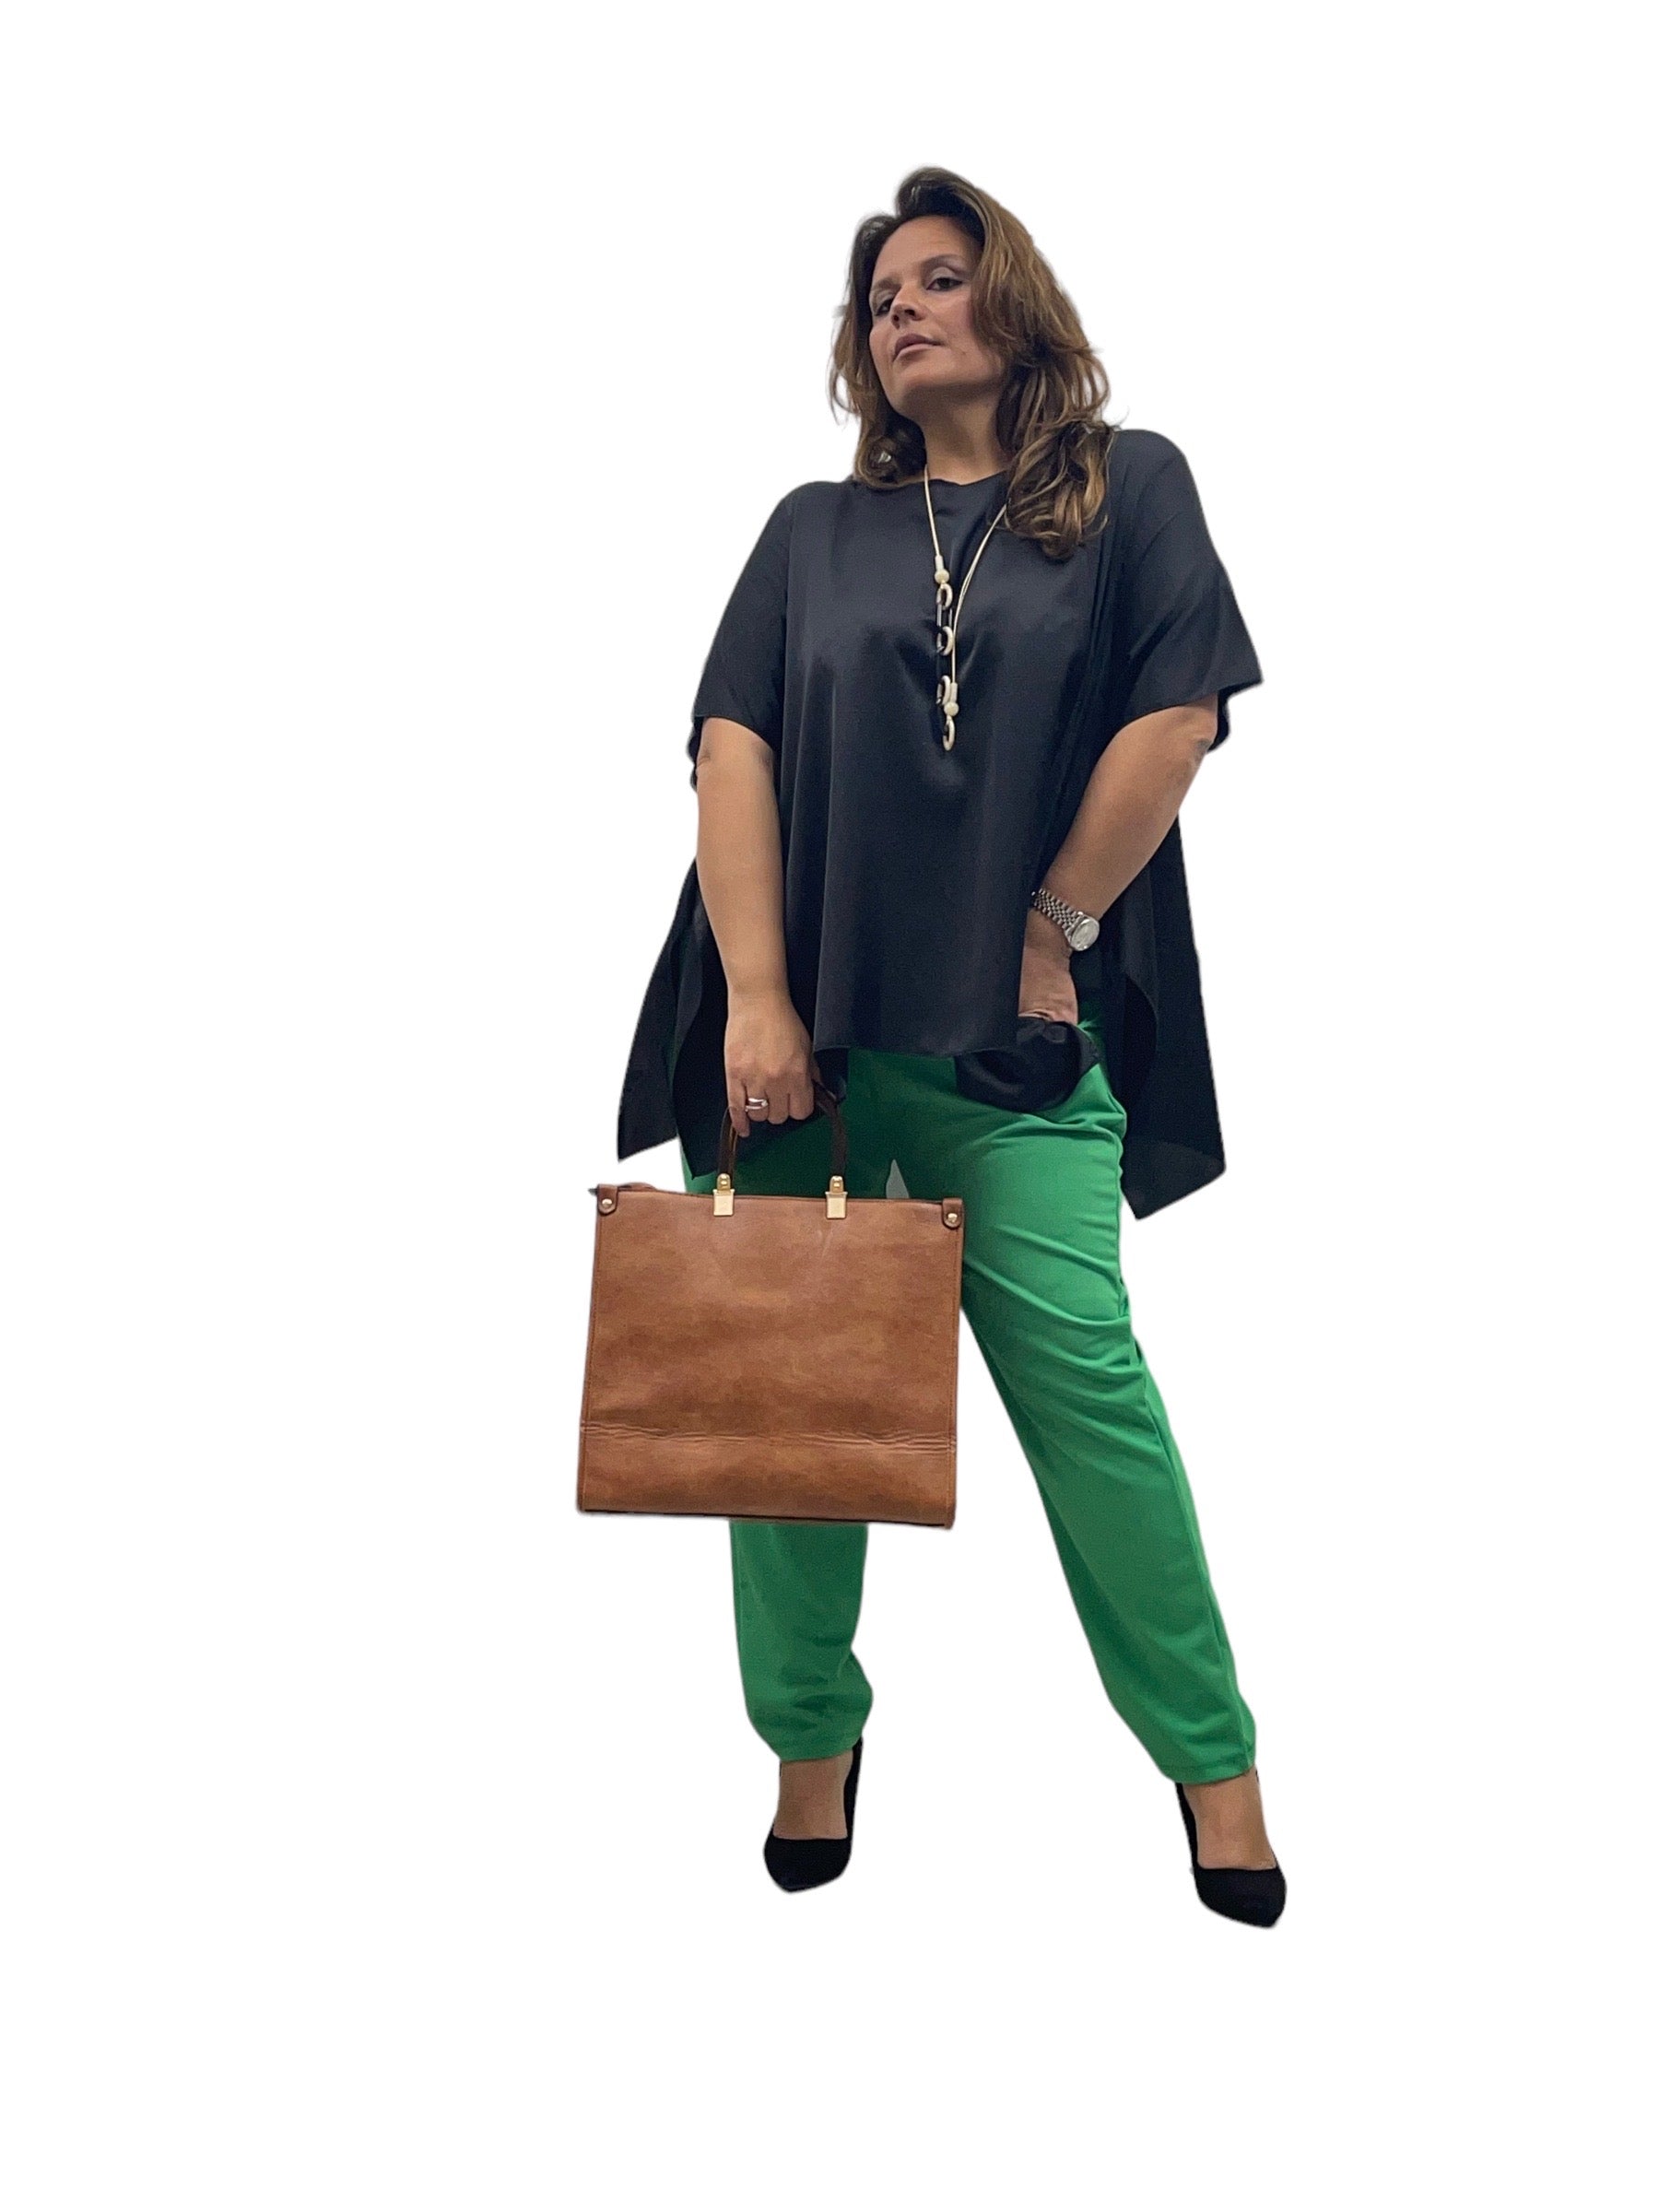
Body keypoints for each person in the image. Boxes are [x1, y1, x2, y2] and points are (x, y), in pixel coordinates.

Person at [614, 165, 1285, 1924]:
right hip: (806, 1055)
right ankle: (810, 1745)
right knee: (787, 1428)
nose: (899, 307)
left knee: (1097, 1414)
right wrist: (759, 999)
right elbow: (734, 752)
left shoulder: (1131, 490)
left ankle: (1214, 1764)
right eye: (878, 294)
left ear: (1015, 300)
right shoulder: (811, 533)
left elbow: (1178, 717)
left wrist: (1051, 928)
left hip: (1021, 1059)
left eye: (935, 275)